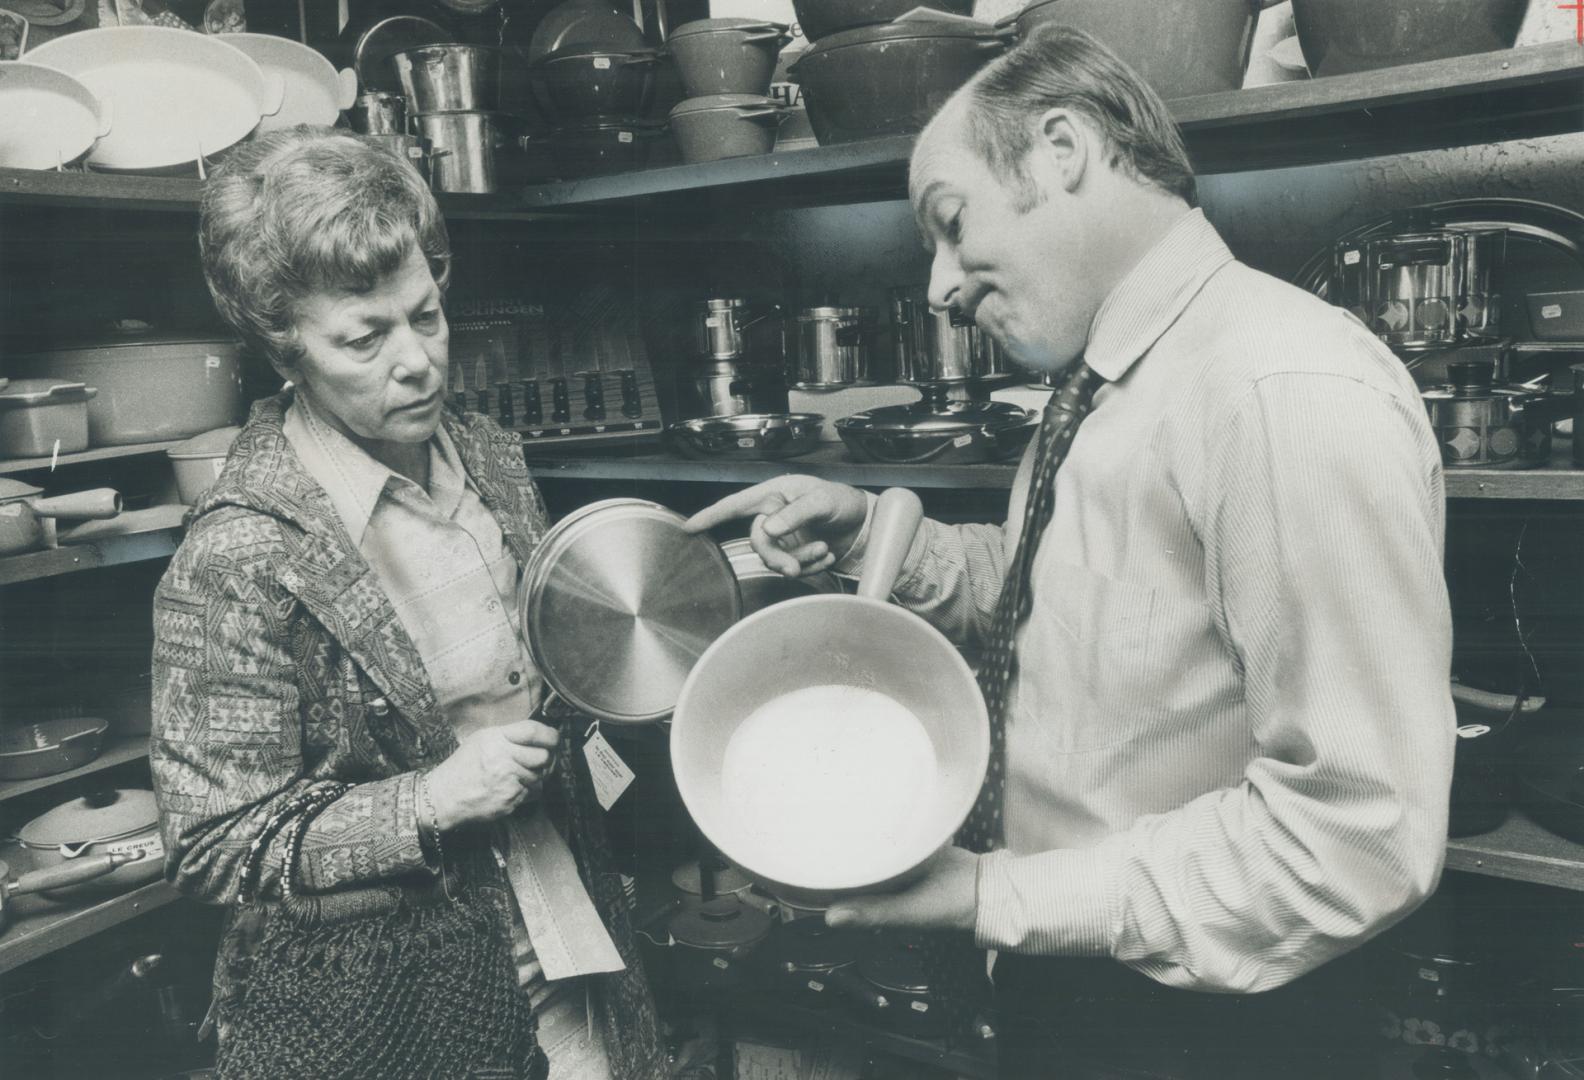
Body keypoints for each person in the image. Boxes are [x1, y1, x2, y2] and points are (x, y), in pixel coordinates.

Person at [686, 27, 1455, 1080]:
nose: (938, 288)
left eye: (951, 228)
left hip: (1217, 1034)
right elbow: (1078, 603)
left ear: (1062, 150)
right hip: (1074, 981)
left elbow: (1355, 839)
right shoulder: (1108, 380)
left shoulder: (1283, 393)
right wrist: (873, 537)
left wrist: (990, 895)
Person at [150, 127, 666, 1080]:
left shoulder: (491, 462)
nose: (419, 361)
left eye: (426, 315)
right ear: (282, 344)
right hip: (387, 1004)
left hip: (565, 927)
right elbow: (217, 845)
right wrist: (430, 799)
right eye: (364, 338)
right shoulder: (241, 550)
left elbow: (541, 673)